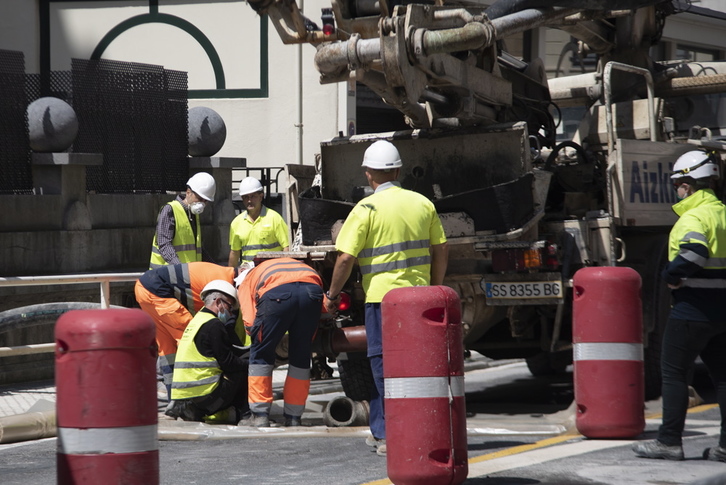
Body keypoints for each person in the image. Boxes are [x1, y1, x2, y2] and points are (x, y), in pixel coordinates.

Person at [324, 140, 449, 456]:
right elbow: (441, 249)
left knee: (384, 366)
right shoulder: (422, 203)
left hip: (384, 302)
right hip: (420, 300)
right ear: (398, 169)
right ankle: (387, 429)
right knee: (417, 365)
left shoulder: (365, 210)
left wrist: (331, 295)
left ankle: (393, 434)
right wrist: (434, 287)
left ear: (368, 174)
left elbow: (344, 259)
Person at [632, 150, 726, 462]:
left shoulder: (694, 217)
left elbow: (694, 253)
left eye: (678, 184)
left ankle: (669, 442)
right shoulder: (723, 213)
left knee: (673, 373)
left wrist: (670, 276)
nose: (677, 190)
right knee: (723, 377)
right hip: (723, 309)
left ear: (688, 184)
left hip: (692, 310)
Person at [134, 261, 247, 400]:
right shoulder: (222, 284)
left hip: (144, 288)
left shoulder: (223, 274)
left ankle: (173, 399)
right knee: (191, 338)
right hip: (157, 290)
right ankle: (185, 397)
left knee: (167, 349)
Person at [236, 257, 325, 427]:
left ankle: (260, 415)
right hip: (312, 290)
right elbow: (324, 306)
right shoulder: (279, 266)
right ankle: (294, 418)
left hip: (277, 294)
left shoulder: (246, 281)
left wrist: (260, 337)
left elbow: (249, 322)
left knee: (261, 354)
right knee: (301, 356)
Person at [166, 280, 250, 424]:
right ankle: (244, 414)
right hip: (203, 396)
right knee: (242, 370)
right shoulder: (214, 325)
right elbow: (229, 363)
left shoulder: (197, 320)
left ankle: (195, 409)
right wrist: (252, 363)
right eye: (229, 307)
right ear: (218, 302)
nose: (230, 313)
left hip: (184, 396)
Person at [150, 172, 216, 270]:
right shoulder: (170, 210)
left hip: (185, 276)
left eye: (205, 201)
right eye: (199, 198)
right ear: (188, 192)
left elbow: (198, 250)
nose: (202, 203)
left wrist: (215, 268)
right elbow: (164, 245)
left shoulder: (194, 215)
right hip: (165, 276)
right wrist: (181, 269)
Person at [228, 176, 289, 266]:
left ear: (261, 196)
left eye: (253, 196)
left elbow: (287, 248)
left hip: (270, 271)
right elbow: (234, 252)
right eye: (246, 197)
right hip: (248, 272)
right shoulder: (236, 223)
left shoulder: (274, 218)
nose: (249, 200)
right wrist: (230, 275)